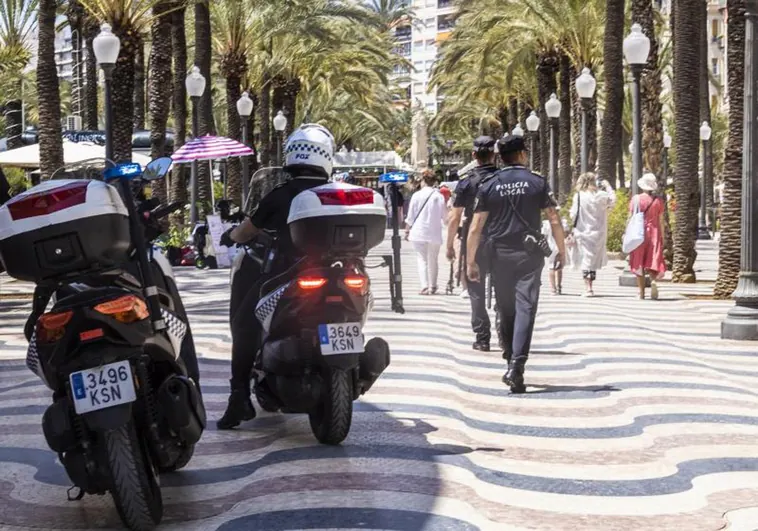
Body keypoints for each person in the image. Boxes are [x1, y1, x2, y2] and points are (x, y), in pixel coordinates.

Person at [216, 123, 336, 429]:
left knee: (244, 325)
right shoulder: (334, 194)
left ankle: (239, 397)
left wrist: (232, 233)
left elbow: (248, 231)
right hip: (336, 273)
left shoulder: (280, 195)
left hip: (286, 274)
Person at [466, 135, 566, 394]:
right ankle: (516, 366)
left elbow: (476, 227)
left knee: (506, 307)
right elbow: (554, 219)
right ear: (522, 154)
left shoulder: (490, 184)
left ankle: (511, 357)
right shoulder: (537, 182)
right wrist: (561, 251)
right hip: (529, 255)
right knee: (526, 308)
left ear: (501, 156)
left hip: (498, 255)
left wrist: (470, 262)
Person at [446, 136, 498, 351]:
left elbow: (454, 217)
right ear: (494, 155)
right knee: (504, 288)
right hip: (501, 236)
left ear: (474, 155)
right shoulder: (501, 179)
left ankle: (482, 337)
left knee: (475, 288)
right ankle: (504, 330)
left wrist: (449, 245)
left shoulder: (466, 182)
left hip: (473, 239)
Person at [568, 172, 616, 297]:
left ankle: (588, 288)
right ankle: (590, 285)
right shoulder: (602, 195)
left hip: (582, 232)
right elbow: (613, 202)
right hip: (598, 233)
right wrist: (608, 186)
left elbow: (573, 215)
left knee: (586, 259)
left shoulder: (578, 196)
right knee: (592, 260)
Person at [405, 170, 447, 295]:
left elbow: (411, 216)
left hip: (419, 231)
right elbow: (445, 217)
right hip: (434, 231)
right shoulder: (438, 196)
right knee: (433, 259)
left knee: (421, 259)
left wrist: (407, 230)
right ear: (434, 182)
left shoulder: (416, 196)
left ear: (423, 181)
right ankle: (433, 285)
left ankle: (424, 286)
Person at [629, 173, 666, 300]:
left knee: (638, 261)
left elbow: (631, 217)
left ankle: (641, 293)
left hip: (639, 233)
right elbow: (661, 221)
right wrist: (663, 236)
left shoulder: (636, 199)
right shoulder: (658, 201)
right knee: (652, 259)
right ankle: (653, 280)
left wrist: (626, 232)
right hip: (654, 233)